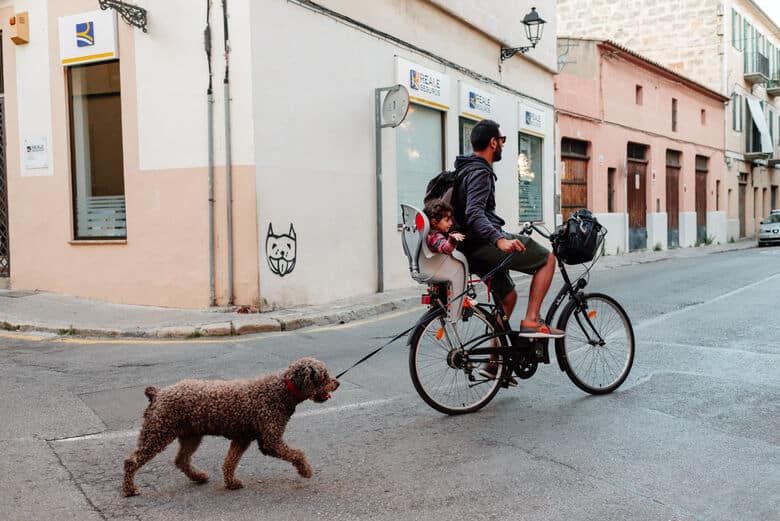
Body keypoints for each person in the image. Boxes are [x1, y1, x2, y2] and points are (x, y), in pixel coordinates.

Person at [454, 119, 564, 384]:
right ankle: (531, 321)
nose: (502, 145)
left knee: (508, 298)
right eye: (501, 140)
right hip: (484, 244)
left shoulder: (465, 169)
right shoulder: (480, 171)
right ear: (493, 142)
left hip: (470, 249)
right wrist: (499, 239)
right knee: (546, 259)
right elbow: (474, 214)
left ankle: (496, 365)